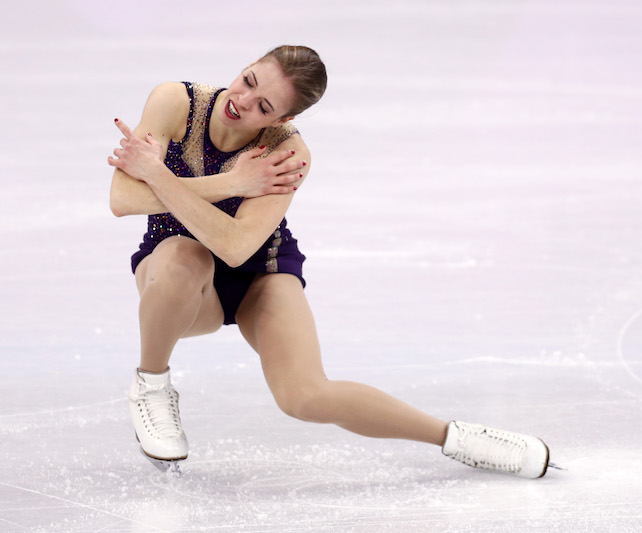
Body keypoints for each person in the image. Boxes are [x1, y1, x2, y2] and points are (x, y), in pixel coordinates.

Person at [107, 45, 550, 479]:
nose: (242, 101)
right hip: (177, 274)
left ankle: (460, 439)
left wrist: (158, 175)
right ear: (245, 65)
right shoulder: (176, 103)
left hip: (258, 269)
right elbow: (123, 199)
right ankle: (151, 383)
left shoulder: (287, 154)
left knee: (305, 396)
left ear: (282, 120)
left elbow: (237, 247)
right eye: (248, 80)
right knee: (184, 255)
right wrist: (234, 182)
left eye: (263, 106)